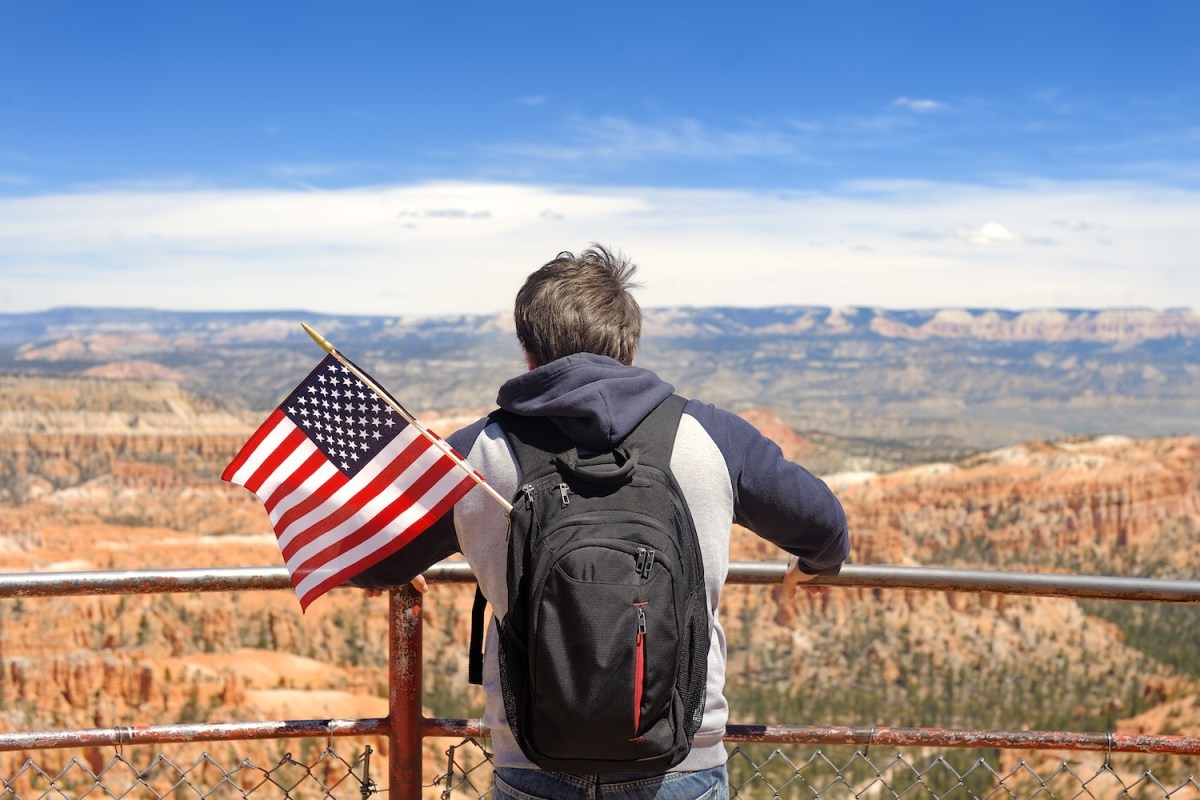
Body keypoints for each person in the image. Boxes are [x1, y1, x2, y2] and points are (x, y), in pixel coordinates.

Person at [351, 245, 850, 800]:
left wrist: (400, 572)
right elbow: (826, 528)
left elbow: (367, 557)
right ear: (630, 346)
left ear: (528, 349)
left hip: (533, 762)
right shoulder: (710, 437)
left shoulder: (477, 454)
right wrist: (807, 570)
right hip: (682, 763)